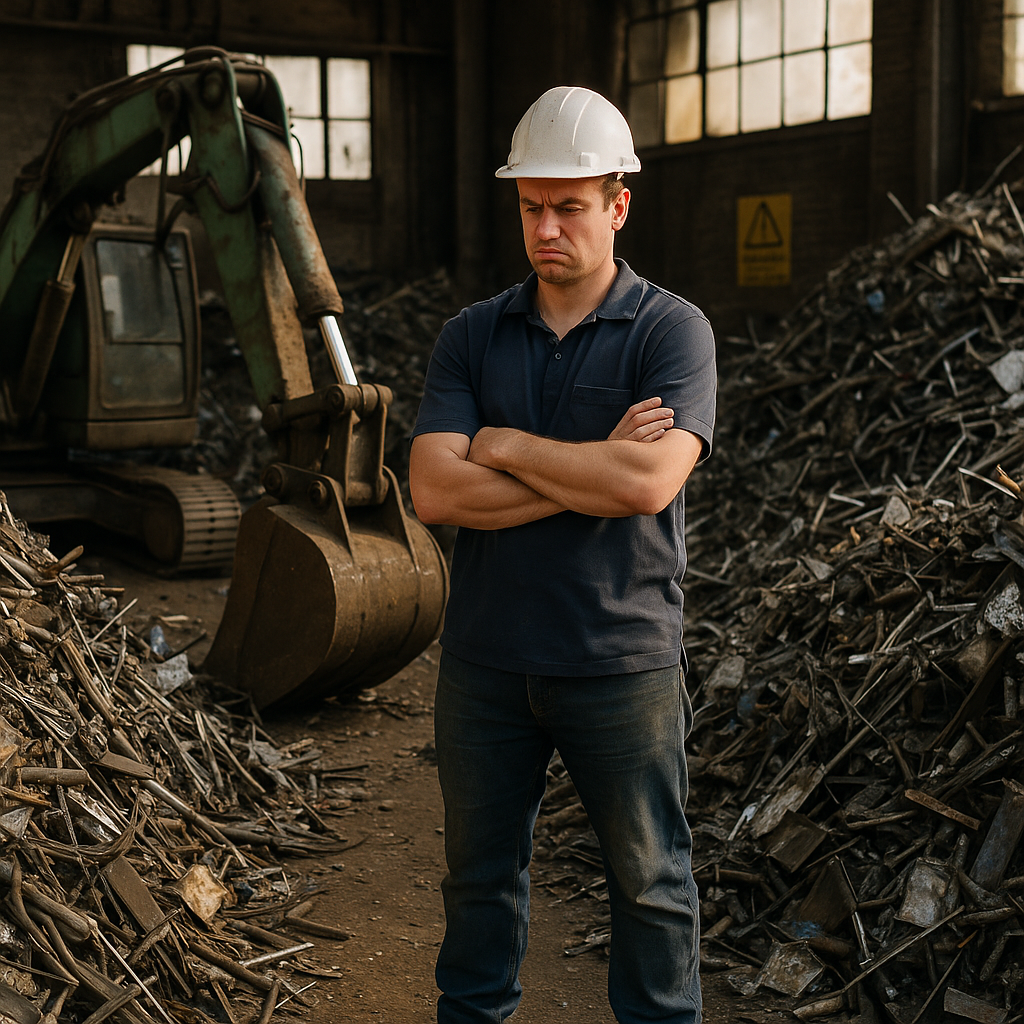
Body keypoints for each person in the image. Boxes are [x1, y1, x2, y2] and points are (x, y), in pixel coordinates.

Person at [409, 85, 716, 1024]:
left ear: (618, 205)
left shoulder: (673, 331)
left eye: (570, 206)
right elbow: (434, 493)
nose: (547, 227)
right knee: (479, 884)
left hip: (618, 661)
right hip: (486, 662)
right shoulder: (472, 334)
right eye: (532, 205)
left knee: (652, 887)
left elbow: (646, 485)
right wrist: (588, 466)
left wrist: (502, 444)